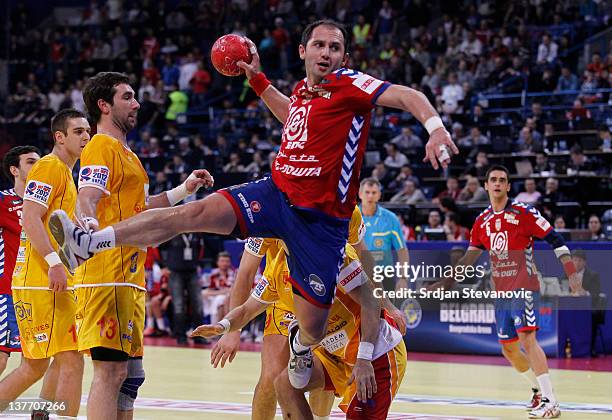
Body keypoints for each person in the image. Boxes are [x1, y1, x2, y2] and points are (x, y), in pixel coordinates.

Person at [49, 20, 456, 392]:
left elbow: (409, 95)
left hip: (320, 223)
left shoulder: (349, 84)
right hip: (277, 193)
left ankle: (301, 343)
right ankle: (91, 241)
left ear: (343, 58)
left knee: (313, 327)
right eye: (318, 45)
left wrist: (435, 130)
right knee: (194, 213)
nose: (326, 53)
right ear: (303, 52)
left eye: (334, 47)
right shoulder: (301, 93)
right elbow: (292, 116)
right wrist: (259, 81)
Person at [51, 72, 210, 420]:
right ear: (104, 105)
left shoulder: (127, 154)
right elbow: (88, 197)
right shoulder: (101, 146)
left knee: (130, 377)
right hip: (107, 275)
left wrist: (183, 191)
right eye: (127, 97)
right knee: (110, 373)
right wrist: (88, 226)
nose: (137, 103)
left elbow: (141, 210)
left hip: (127, 276)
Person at [191, 235, 405, 419]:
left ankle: (302, 344)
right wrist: (223, 326)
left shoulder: (332, 253)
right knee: (284, 385)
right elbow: (247, 309)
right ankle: (301, 345)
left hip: (374, 353)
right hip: (333, 355)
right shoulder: (277, 268)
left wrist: (364, 357)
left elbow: (370, 300)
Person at [433, 165, 579, 418]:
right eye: (493, 180)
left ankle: (551, 401)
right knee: (508, 348)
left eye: (503, 180)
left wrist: (571, 272)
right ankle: (536, 391)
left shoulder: (524, 212)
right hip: (501, 292)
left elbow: (556, 239)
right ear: (486, 186)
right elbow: (468, 258)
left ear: (509, 186)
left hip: (525, 286)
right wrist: (445, 282)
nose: (498, 183)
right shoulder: (482, 221)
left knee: (527, 339)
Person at [0, 109, 90, 417]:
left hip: (40, 279)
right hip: (42, 280)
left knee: (35, 365)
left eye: (87, 131)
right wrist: (54, 262)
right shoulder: (50, 167)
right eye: (78, 131)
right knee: (72, 359)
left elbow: (59, 226)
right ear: (59, 137)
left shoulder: (65, 173)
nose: (86, 136)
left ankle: (41, 411)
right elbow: (29, 216)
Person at [0, 146, 40, 374]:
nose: (39, 166)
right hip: (8, 292)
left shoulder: (49, 204)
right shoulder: (3, 201)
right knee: (1, 355)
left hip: (40, 291)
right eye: (31, 162)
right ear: (15, 170)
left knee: (39, 359)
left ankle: (42, 410)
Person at [358, 178, 409, 295]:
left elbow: (402, 250)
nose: (370, 196)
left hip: (384, 274)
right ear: (360, 194)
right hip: (358, 274)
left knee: (385, 312)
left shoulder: (391, 218)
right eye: (367, 192)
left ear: (379, 195)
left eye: (374, 193)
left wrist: (403, 278)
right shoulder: (351, 217)